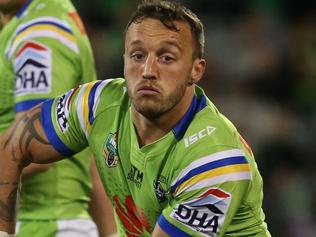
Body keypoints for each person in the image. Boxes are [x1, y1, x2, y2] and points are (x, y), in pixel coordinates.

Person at [0, 0, 271, 236]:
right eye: (138, 55)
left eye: (167, 58)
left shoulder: (214, 161)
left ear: (195, 71)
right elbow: (11, 147)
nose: (148, 70)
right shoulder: (96, 104)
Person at [0, 0, 116, 236]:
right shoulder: (30, 23)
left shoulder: (40, 33)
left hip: (44, 223)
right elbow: (85, 145)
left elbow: (34, 145)